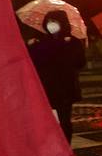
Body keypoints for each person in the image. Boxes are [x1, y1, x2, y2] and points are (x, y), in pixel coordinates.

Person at [27, 10, 85, 144]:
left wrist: (69, 47)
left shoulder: (72, 42)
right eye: (48, 21)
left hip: (65, 90)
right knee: (45, 121)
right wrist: (30, 46)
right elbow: (32, 62)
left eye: (54, 21)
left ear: (62, 23)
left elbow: (80, 63)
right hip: (46, 88)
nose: (51, 25)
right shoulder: (40, 42)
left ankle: (65, 147)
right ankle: (50, 149)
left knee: (64, 121)